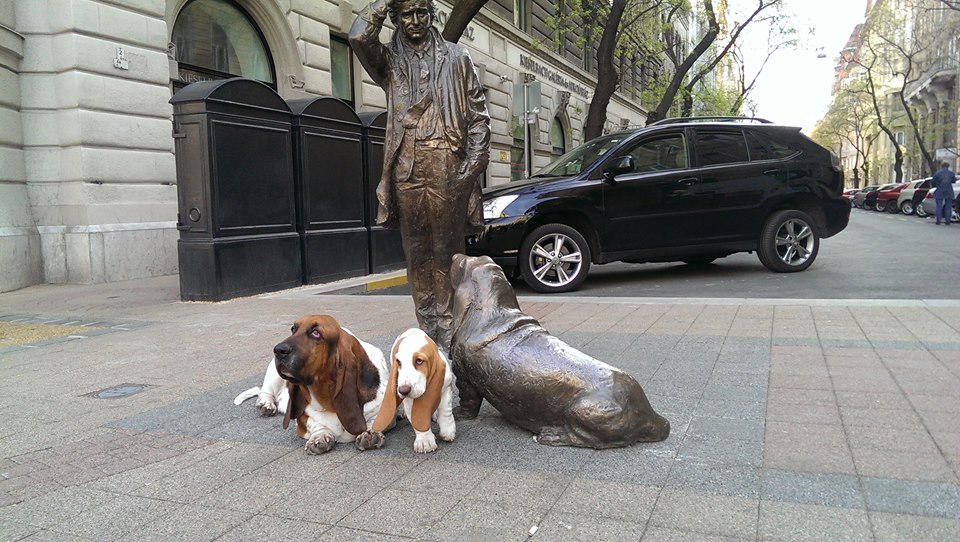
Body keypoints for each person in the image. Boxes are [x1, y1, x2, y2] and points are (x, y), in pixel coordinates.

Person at [350, 0, 490, 349]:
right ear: (396, 19)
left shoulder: (457, 58)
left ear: (432, 15)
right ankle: (429, 333)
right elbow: (357, 37)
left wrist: (469, 168)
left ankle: (452, 332)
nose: (416, 21)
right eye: (408, 14)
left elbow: (478, 118)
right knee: (416, 255)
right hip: (406, 166)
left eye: (423, 13)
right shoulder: (388, 61)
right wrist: (382, 3)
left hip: (447, 163)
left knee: (447, 253)